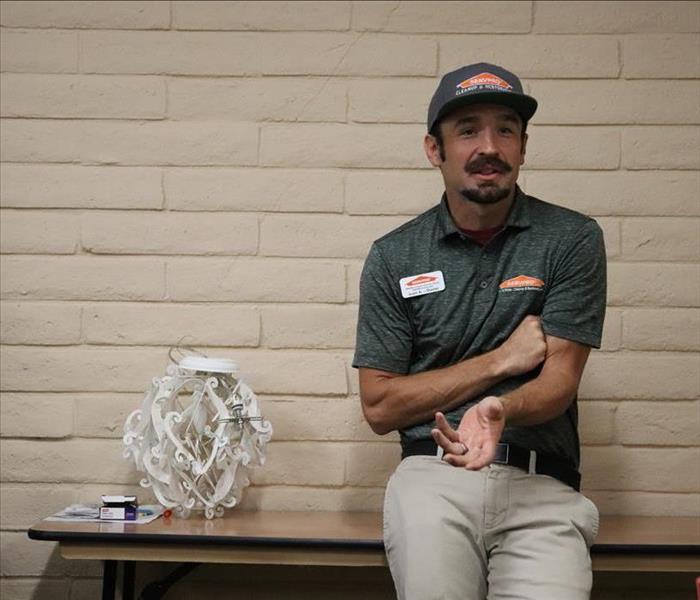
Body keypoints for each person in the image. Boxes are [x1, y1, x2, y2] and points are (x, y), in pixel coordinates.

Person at [352, 63, 606, 600]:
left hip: (542, 484)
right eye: (468, 129)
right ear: (434, 149)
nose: (488, 145)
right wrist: (500, 362)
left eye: (505, 129)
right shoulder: (394, 255)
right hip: (433, 479)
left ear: (522, 146)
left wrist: (502, 408)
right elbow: (380, 406)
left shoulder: (571, 239)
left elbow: (560, 380)